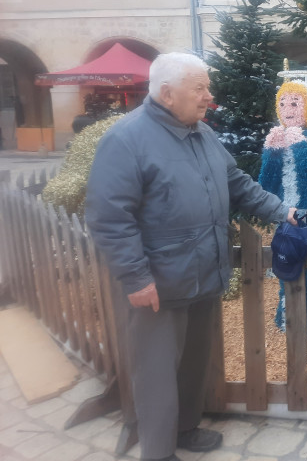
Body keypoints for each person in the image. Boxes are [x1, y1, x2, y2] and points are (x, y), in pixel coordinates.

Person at [85, 52, 296, 461]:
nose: (208, 96)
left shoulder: (201, 132)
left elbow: (236, 183)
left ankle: (185, 428)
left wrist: (282, 211)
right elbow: (109, 217)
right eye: (199, 88)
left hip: (203, 273)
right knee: (157, 374)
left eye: (207, 87)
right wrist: (135, 277)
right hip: (159, 282)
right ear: (167, 93)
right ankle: (159, 452)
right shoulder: (126, 139)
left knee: (194, 362)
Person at [259, 78, 307, 340]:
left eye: (295, 102)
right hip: (287, 217)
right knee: (287, 265)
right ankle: (288, 319)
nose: (288, 108)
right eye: (282, 102)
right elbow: (266, 187)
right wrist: (271, 153)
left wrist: (302, 148)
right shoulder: (279, 141)